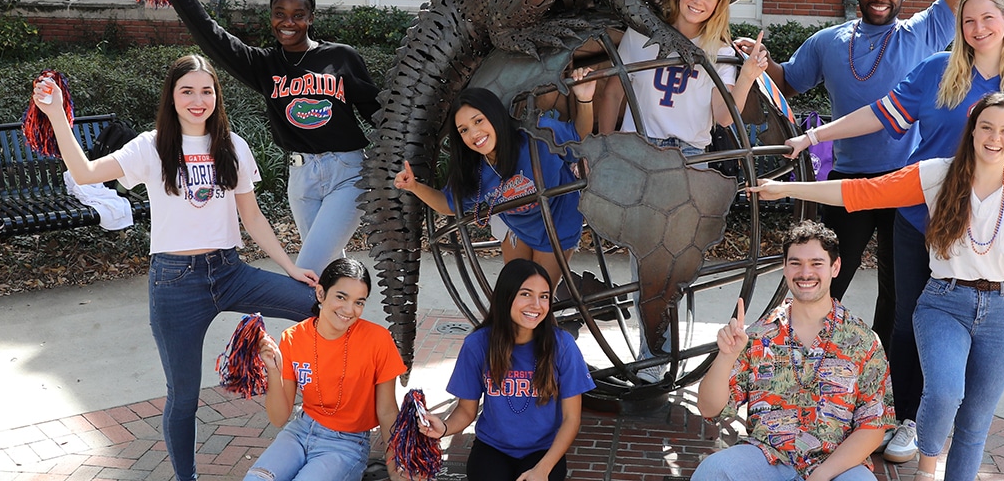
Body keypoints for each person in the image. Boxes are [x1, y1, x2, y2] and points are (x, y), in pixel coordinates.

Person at [784, 0, 1004, 464]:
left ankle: (936, 422)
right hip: (920, 221)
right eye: (969, 20)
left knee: (967, 337)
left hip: (987, 236)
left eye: (988, 18)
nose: (978, 28)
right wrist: (815, 136)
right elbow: (880, 115)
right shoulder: (935, 72)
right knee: (908, 321)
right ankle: (903, 415)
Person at [753, 0, 1004, 449]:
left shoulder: (925, 32)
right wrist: (756, 60)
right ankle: (809, 383)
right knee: (822, 284)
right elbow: (791, 80)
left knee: (901, 305)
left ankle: (886, 404)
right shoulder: (827, 41)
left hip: (911, 186)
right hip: (852, 183)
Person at [755, 93, 1004, 481]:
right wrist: (787, 189)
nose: (995, 138)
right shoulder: (936, 174)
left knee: (976, 420)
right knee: (944, 393)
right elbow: (861, 193)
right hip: (944, 302)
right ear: (972, 131)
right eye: (987, 127)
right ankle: (926, 472)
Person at [31, 54, 318, 481]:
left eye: (206, 91)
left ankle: (321, 408)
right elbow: (86, 172)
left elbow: (252, 217)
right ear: (172, 96)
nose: (197, 100)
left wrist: (290, 267)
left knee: (316, 307)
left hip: (230, 271)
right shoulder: (151, 146)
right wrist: (56, 115)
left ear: (217, 96)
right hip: (175, 283)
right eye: (187, 91)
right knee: (183, 397)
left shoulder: (232, 146)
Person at [158, 0, 380, 275]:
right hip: (301, 180)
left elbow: (377, 113)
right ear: (271, 17)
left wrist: (409, 152)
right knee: (330, 272)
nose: (287, 23)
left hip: (347, 172)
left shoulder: (341, 57)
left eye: (297, 15)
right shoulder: (263, 66)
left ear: (311, 18)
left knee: (306, 271)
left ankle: (287, 325)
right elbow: (211, 35)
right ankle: (339, 324)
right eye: (280, 14)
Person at [693, 220, 892, 481]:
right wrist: (726, 356)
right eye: (796, 263)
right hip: (767, 458)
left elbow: (873, 426)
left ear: (835, 267)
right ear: (785, 268)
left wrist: (821, 475)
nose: (805, 272)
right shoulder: (757, 335)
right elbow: (709, 409)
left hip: (835, 464)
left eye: (816, 263)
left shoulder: (864, 341)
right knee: (713, 471)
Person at [394, 70, 597, 291]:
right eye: (464, 130)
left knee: (537, 294)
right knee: (514, 296)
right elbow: (449, 203)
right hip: (520, 228)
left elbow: (578, 138)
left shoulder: (536, 136)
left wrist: (584, 98)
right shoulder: (476, 169)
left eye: (478, 121)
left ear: (494, 116)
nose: (474, 133)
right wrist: (413, 186)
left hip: (558, 221)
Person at [418, 259, 596, 481]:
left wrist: (543, 469)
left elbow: (571, 419)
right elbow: (466, 410)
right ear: (506, 296)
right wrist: (443, 428)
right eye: (526, 294)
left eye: (544, 296)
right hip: (493, 447)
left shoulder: (563, 346)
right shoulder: (478, 345)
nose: (537, 305)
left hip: (543, 451)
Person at [249, 258, 405, 481]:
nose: (350, 310)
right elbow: (279, 418)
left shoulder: (378, 340)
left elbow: (388, 411)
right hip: (300, 431)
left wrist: (395, 460)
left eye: (359, 302)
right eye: (341, 297)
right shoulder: (293, 338)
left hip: (347, 442)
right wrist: (273, 370)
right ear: (321, 293)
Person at [596, 0, 770, 155]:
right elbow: (612, 94)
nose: (698, 1)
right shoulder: (640, 35)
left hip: (688, 153)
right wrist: (604, 149)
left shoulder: (719, 50)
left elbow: (724, 117)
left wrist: (746, 77)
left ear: (718, 5)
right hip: (637, 146)